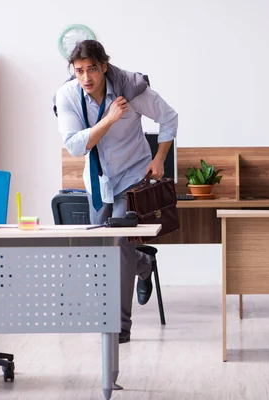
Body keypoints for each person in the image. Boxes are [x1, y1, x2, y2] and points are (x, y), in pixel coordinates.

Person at [55, 40, 178, 344]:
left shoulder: (131, 89)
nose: (86, 78)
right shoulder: (68, 95)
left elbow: (169, 116)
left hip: (132, 177)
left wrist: (159, 157)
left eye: (92, 69)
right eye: (80, 71)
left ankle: (119, 324)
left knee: (120, 247)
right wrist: (110, 119)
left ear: (104, 66)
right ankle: (145, 264)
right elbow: (75, 146)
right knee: (101, 251)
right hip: (97, 181)